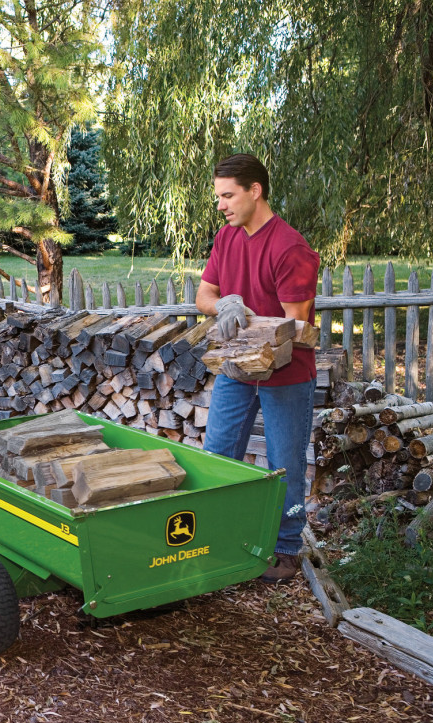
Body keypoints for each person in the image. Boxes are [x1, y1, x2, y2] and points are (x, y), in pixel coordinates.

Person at [195, 154, 320, 583]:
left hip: (286, 373)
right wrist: (225, 304)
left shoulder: (290, 248)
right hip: (236, 366)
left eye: (228, 196)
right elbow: (204, 296)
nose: (221, 205)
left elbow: (293, 326)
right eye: (218, 197)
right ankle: (219, 536)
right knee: (218, 454)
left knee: (285, 464)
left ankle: (286, 546)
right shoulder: (226, 237)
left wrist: (247, 319)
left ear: (255, 190)